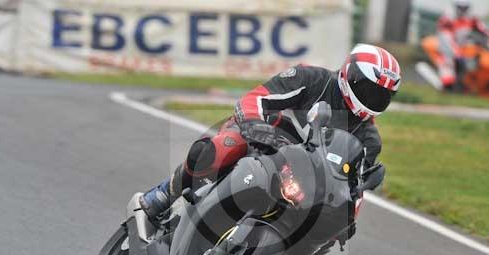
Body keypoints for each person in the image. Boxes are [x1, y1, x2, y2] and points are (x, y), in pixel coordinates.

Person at [138, 44, 401, 225]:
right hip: (262, 140)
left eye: (381, 95)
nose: (373, 98)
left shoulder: (369, 140)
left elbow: (353, 187)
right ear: (350, 74)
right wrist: (254, 123)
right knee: (218, 150)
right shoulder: (311, 78)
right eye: (368, 89)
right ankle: (163, 195)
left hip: (300, 179)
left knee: (322, 228)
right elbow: (257, 98)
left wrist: (347, 216)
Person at [424, 0, 489, 89]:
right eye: (460, 7)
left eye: (465, 8)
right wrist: (457, 53)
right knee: (447, 62)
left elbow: (486, 30)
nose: (463, 10)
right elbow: (445, 37)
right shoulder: (448, 19)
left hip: (466, 49)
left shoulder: (472, 19)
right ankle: (447, 85)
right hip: (451, 50)